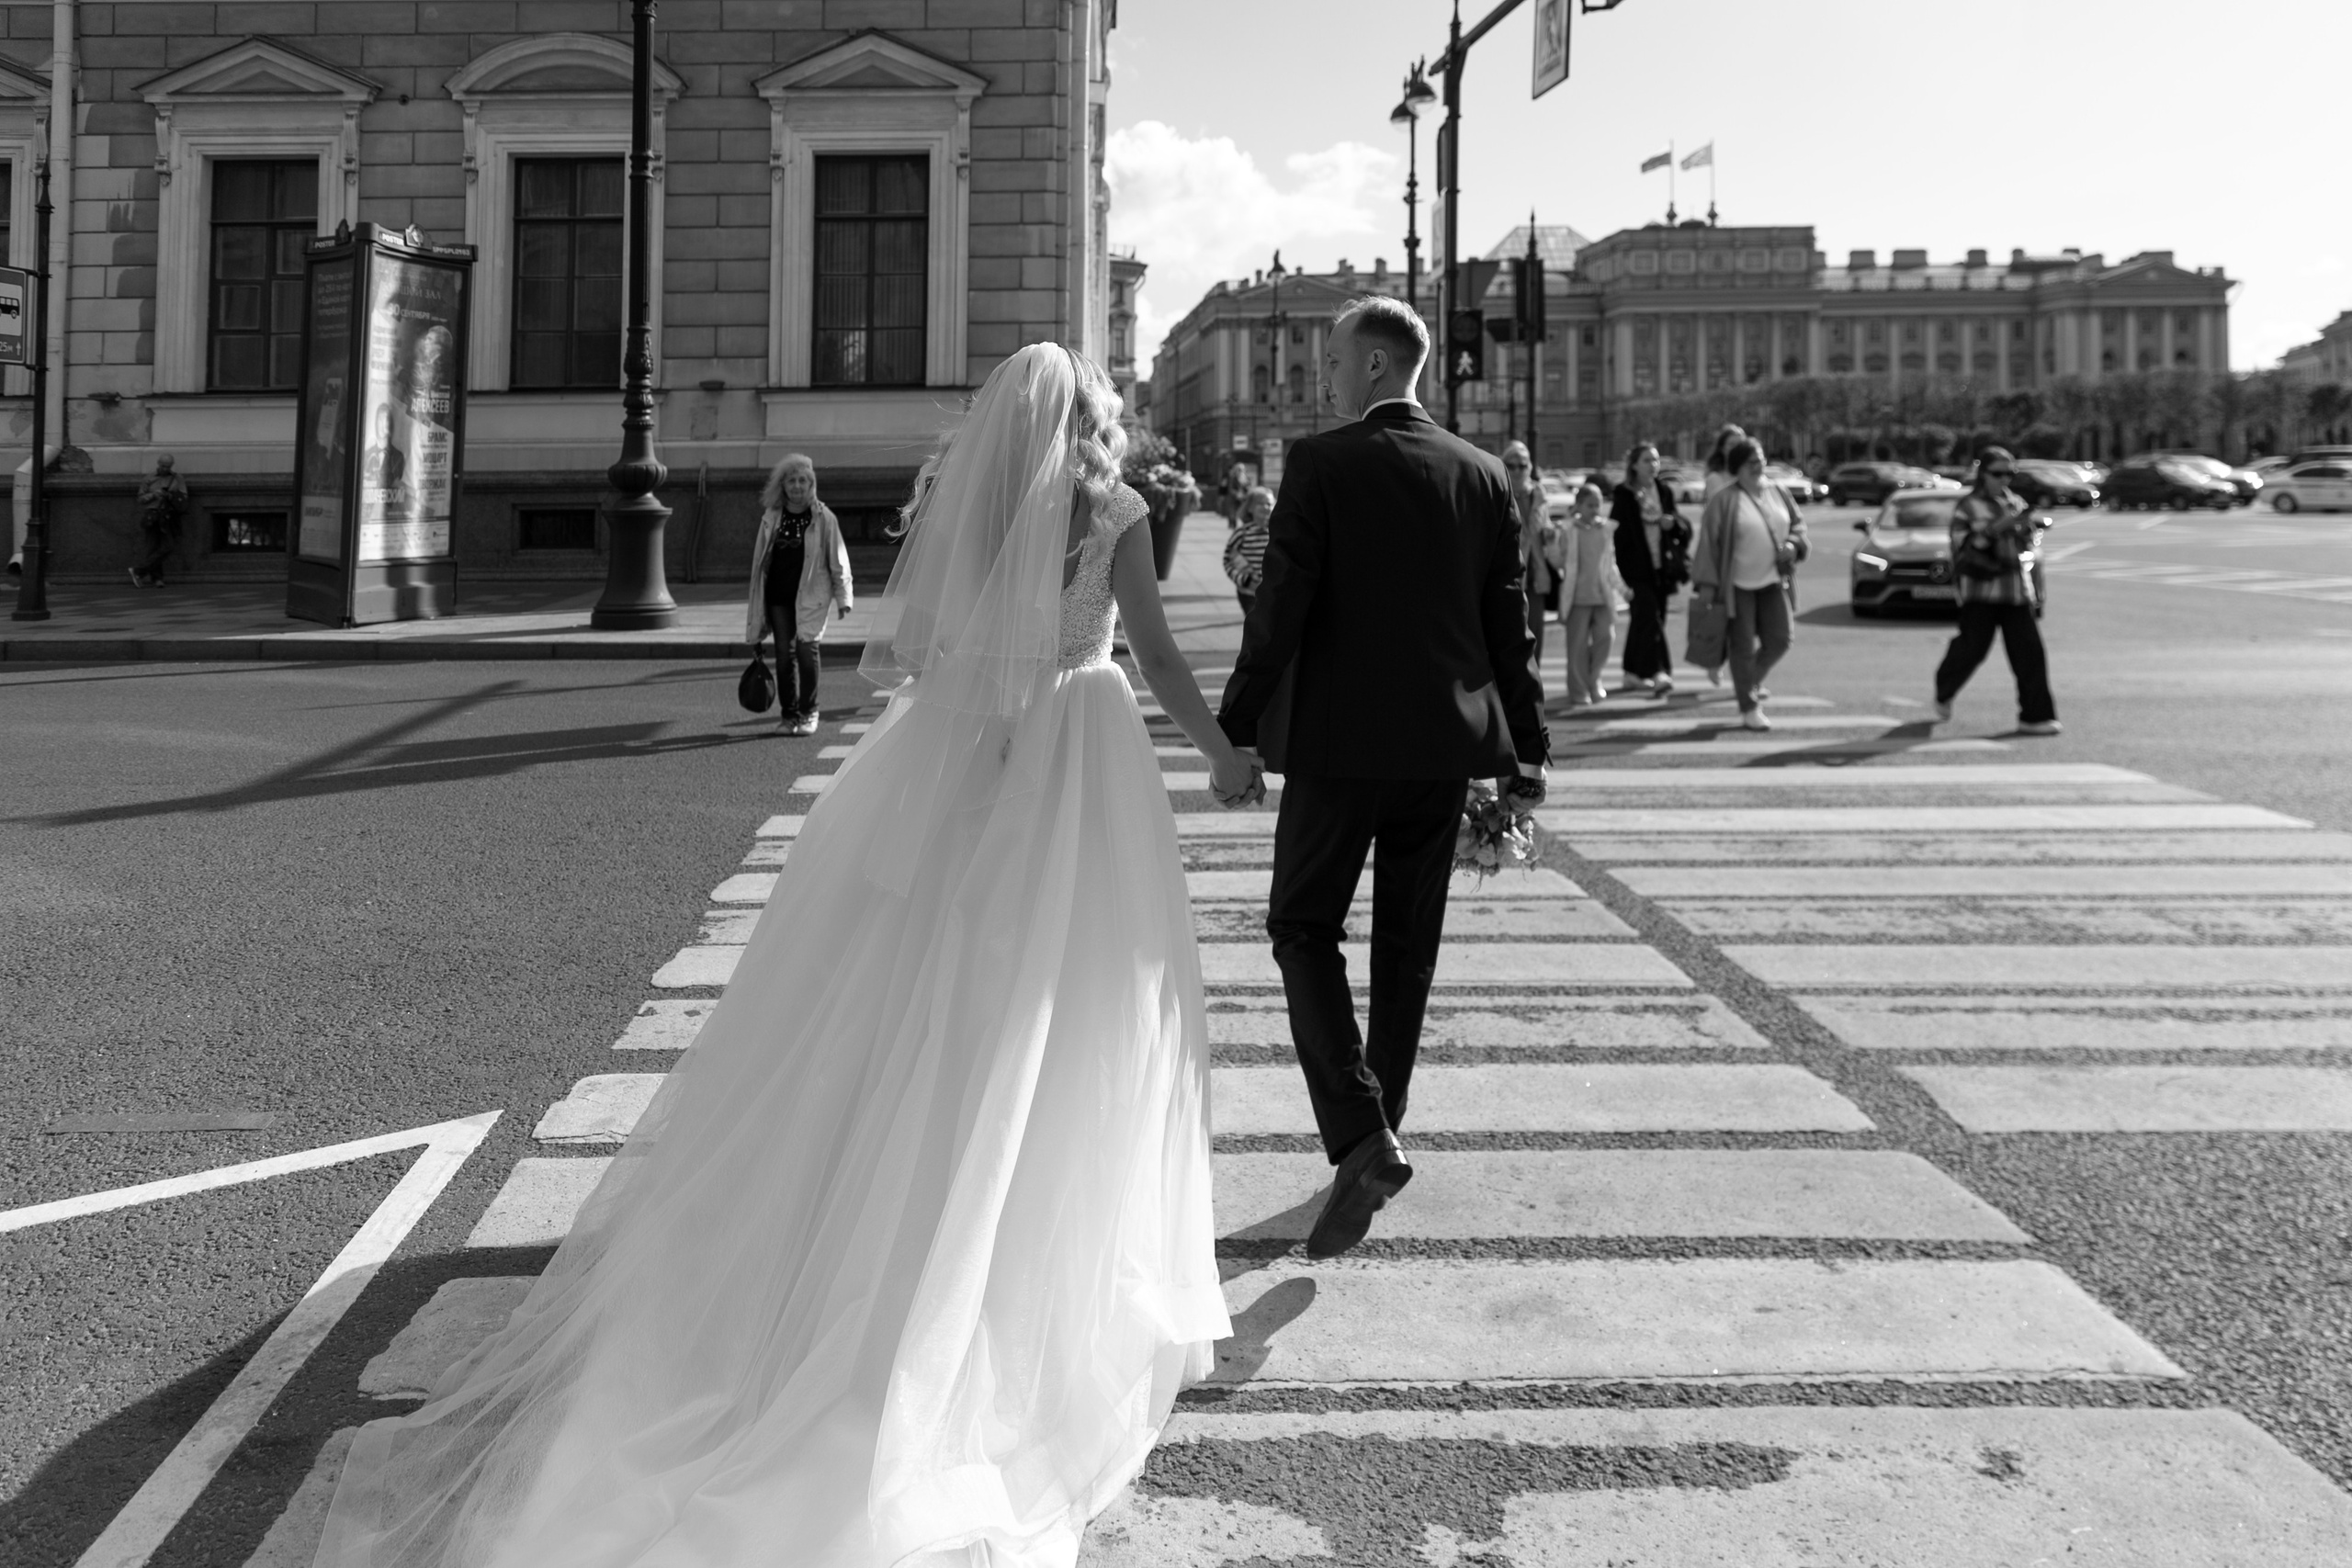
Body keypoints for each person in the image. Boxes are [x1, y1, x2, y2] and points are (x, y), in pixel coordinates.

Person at [314, 345, 1258, 1568]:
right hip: (1075, 769)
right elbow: (1159, 654)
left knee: (911, 1007)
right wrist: (1224, 753)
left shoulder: (967, 505)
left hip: (958, 771)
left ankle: (859, 1241)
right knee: (1065, 1017)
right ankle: (1014, 1263)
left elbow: (918, 649)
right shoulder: (1116, 509)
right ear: (1088, 422)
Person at [1218, 294, 1548, 1261]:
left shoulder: (1321, 463)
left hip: (1338, 744)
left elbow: (1280, 608)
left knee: (1300, 926)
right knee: (1408, 945)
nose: (1323, 376)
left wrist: (1232, 733)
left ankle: (1362, 1134)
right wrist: (1526, 750)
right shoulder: (1485, 475)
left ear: (1369, 366)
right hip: (1443, 750)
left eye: (1331, 359)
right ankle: (1378, 1135)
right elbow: (1509, 629)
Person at [1930, 445, 2060, 735]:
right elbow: (1961, 548)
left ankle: (2035, 716)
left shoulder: (2014, 502)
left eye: (2010, 474)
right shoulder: (1968, 506)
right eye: (1998, 474)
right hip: (1981, 591)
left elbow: (2028, 546)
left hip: (2015, 590)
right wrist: (1995, 529)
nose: (2004, 480)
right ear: (1983, 475)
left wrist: (2026, 528)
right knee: (1971, 650)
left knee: (2030, 654)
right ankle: (1944, 689)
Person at [1692, 437, 1807, 730]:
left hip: (1773, 581)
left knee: (1780, 640)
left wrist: (1794, 544)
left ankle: (1748, 683)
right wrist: (1706, 587)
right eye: (1751, 462)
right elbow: (1709, 545)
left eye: (1760, 460)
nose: (1758, 466)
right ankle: (1749, 706)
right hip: (1737, 586)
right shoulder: (1725, 500)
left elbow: (1797, 524)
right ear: (1737, 468)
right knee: (1741, 646)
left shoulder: (1778, 491)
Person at [745, 453, 854, 737]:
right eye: (791, 480)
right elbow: (760, 563)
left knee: (807, 651)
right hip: (778, 598)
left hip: (812, 597)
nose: (797, 486)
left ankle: (810, 712)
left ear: (811, 484)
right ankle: (789, 716)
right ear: (783, 486)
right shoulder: (771, 518)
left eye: (802, 480)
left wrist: (844, 598)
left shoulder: (823, 518)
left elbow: (838, 560)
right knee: (784, 655)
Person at [1611, 441, 1692, 696]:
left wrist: (1674, 524)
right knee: (1650, 618)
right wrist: (1623, 569)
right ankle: (1660, 672)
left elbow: (1682, 525)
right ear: (1634, 465)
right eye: (1647, 460)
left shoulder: (1663, 490)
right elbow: (1618, 533)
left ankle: (1632, 673)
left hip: (1662, 566)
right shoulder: (1624, 493)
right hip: (1636, 570)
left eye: (1656, 460)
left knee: (1645, 622)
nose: (1653, 465)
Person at [1558, 482, 1623, 705]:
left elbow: (1610, 564)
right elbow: (1557, 560)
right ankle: (1578, 690)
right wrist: (1551, 544)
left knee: (1606, 637)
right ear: (1579, 506)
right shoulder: (1569, 530)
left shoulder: (1605, 529)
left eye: (1598, 504)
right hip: (1577, 597)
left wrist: (1622, 588)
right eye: (1590, 505)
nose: (1595, 509)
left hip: (1602, 595)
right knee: (1576, 646)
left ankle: (1594, 680)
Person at [1501, 440, 1553, 666]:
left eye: (1522, 466)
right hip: (1510, 571)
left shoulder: (1538, 493)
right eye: (1511, 466)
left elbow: (1544, 525)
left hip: (1536, 571)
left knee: (1536, 632)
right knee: (1511, 630)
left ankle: (1535, 681)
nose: (1517, 471)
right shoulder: (1500, 491)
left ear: (1530, 467)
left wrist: (1550, 532)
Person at [130, 453, 188, 588]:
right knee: (152, 547)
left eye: (167, 466)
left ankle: (139, 571)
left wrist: (170, 496)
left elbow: (184, 497)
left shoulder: (177, 478)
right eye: (162, 466)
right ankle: (157, 578)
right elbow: (140, 498)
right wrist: (153, 495)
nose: (164, 469)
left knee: (168, 546)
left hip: (168, 515)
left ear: (171, 466)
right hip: (152, 514)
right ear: (158, 464)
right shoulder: (149, 478)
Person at [1223, 482, 1273, 615]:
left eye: (1269, 503)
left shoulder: (1279, 533)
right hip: (1248, 592)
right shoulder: (1242, 533)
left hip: (1273, 592)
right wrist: (1244, 580)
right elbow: (1228, 560)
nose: (1266, 507)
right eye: (1261, 503)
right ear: (1250, 508)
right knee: (1256, 625)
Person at [1702, 423, 1747, 501]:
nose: (1736, 449)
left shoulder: (1749, 476)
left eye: (1740, 445)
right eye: (1731, 445)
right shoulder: (1715, 478)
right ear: (1722, 448)